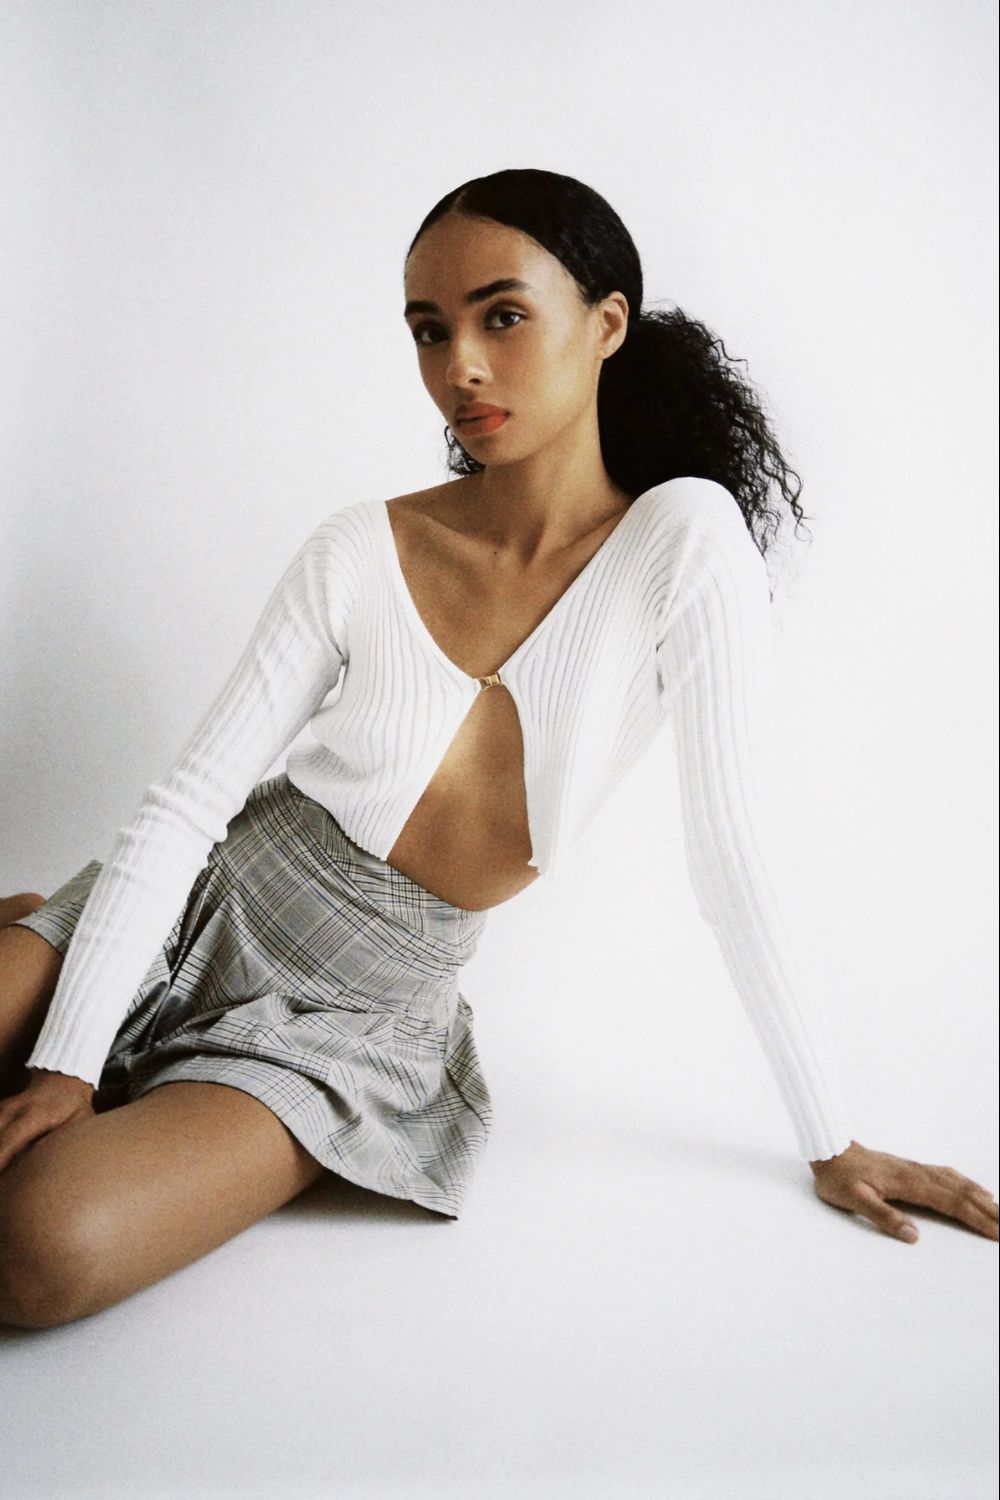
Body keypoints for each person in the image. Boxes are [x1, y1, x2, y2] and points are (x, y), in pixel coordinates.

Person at [0, 168, 995, 1329]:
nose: (460, 366)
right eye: (430, 331)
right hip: (203, 896)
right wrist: (63, 1062)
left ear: (606, 323)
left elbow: (733, 857)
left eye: (502, 316)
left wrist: (831, 1139)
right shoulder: (361, 547)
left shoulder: (680, 540)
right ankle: (56, 940)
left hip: (353, 1015)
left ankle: (99, 1000)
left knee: (35, 1252)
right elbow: (185, 807)